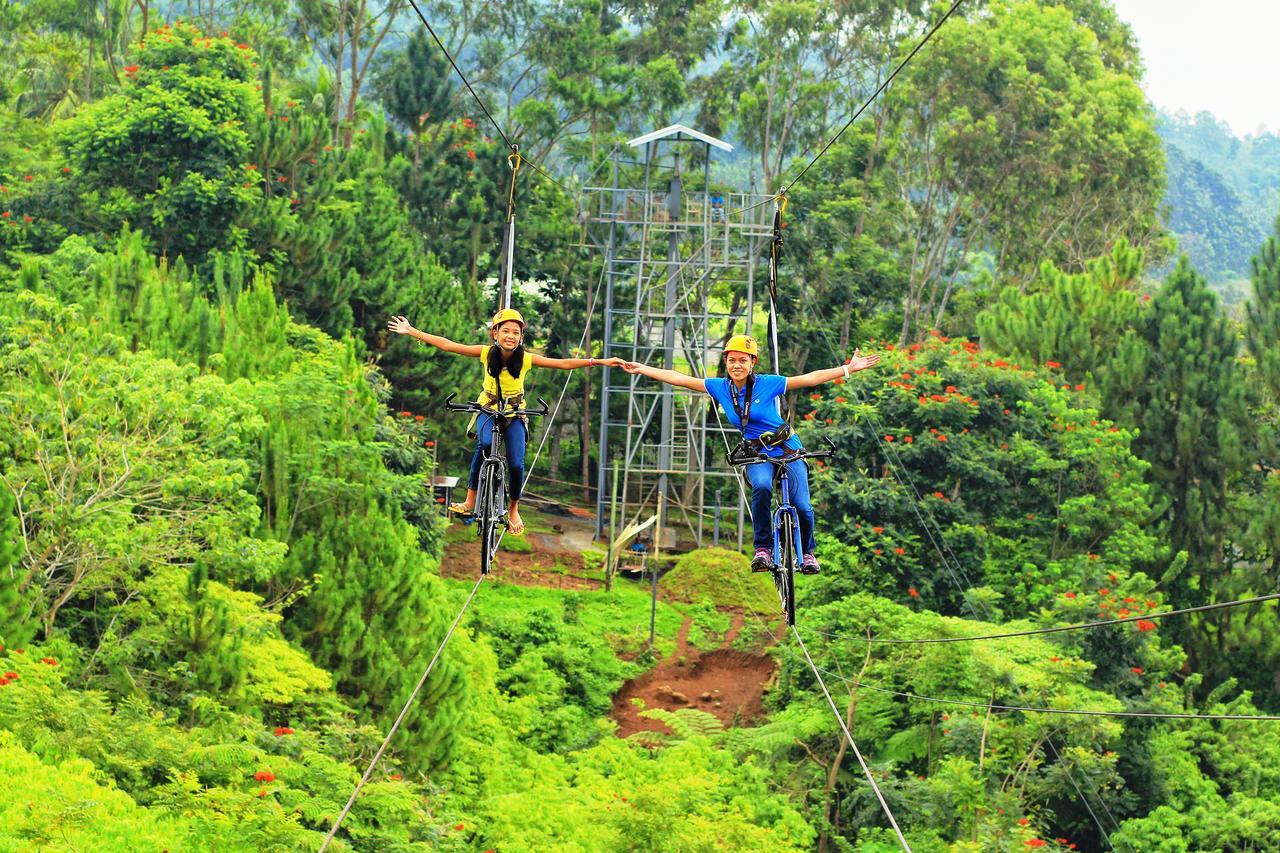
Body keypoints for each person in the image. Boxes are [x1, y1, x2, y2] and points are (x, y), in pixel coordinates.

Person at [622, 335, 879, 573]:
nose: (737, 365)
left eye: (743, 360)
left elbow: (809, 378)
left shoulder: (768, 384)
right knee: (762, 487)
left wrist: (848, 369)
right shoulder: (720, 388)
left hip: (787, 447)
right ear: (726, 362)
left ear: (752, 362)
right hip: (756, 453)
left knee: (802, 505)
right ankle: (763, 549)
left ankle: (808, 553)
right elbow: (679, 378)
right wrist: (643, 369)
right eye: (732, 360)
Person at [388, 309, 621, 535]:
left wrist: (599, 361)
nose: (510, 336)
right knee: (485, 445)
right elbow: (448, 345)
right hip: (487, 409)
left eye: (516, 332)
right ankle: (470, 500)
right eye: (505, 331)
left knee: (517, 464)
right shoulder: (485, 353)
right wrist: (411, 331)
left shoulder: (527, 359)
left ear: (521, 337)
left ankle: (513, 509)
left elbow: (563, 363)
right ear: (495, 333)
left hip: (515, 413)